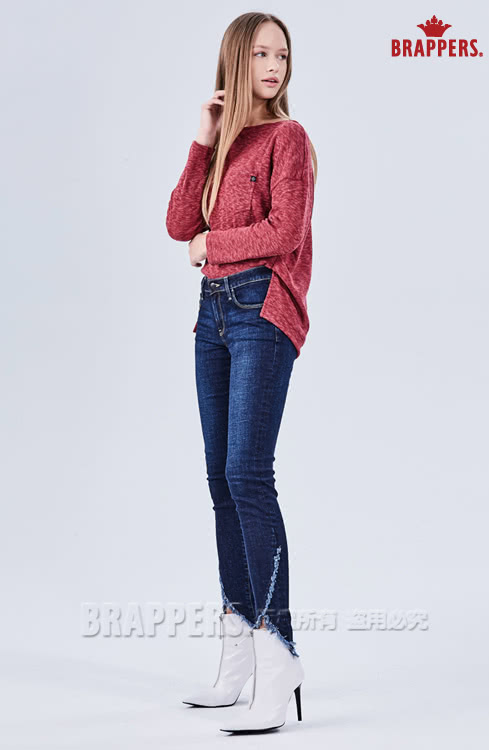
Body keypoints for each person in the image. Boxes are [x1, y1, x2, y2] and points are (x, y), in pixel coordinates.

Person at [165, 11, 317, 734]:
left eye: (281, 53)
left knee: (248, 475)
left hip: (262, 310)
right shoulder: (226, 145)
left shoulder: (290, 138)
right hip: (213, 318)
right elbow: (176, 223)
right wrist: (203, 138)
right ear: (235, 60)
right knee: (220, 482)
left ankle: (277, 652)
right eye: (260, 53)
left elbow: (283, 232)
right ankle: (238, 657)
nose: (274, 64)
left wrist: (210, 247)